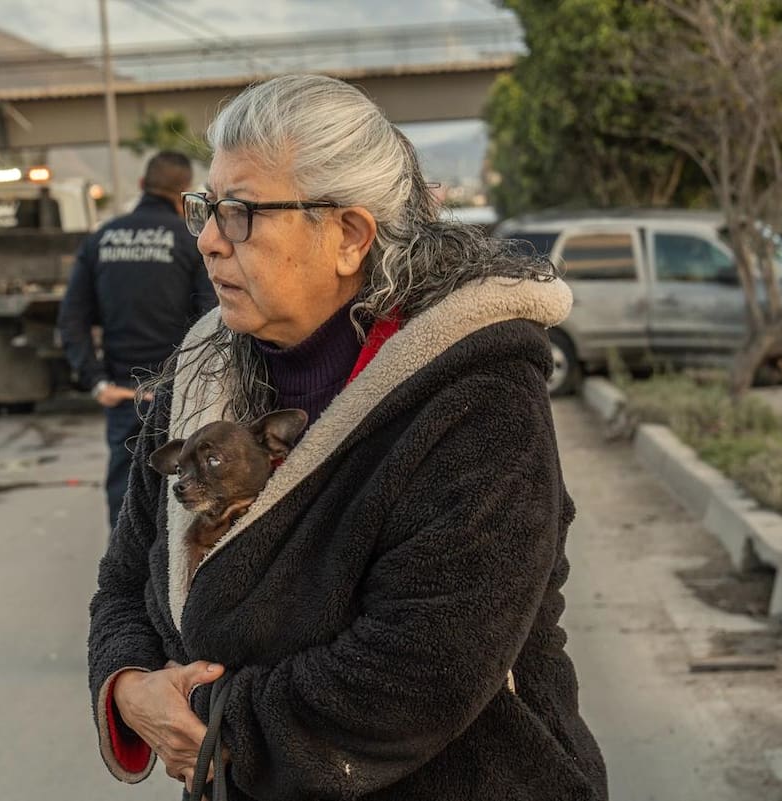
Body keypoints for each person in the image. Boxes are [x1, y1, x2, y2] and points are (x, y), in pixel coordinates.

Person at [87, 75, 607, 800]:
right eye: (206, 207)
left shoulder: (476, 394)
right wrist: (129, 685)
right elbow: (125, 579)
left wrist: (219, 722)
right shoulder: (202, 375)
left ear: (349, 236)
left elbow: (424, 667)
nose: (206, 240)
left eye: (240, 213)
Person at [59, 150, 216, 529]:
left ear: (143, 184)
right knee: (184, 503)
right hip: (180, 394)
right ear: (184, 192)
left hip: (122, 393)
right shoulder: (190, 241)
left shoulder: (101, 240)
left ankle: (123, 566)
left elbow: (72, 319)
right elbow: (212, 317)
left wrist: (96, 381)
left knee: (125, 499)